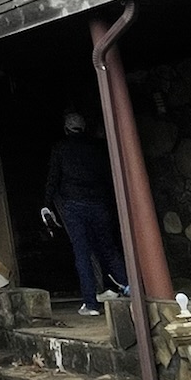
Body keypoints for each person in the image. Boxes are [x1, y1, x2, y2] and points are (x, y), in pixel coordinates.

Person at [40, 109, 128, 317]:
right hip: (98, 203)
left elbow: (53, 176)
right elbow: (108, 175)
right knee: (108, 247)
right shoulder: (96, 148)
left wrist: (46, 204)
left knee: (82, 252)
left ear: (66, 129)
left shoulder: (60, 148)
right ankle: (127, 288)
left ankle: (90, 303)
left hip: (73, 205)